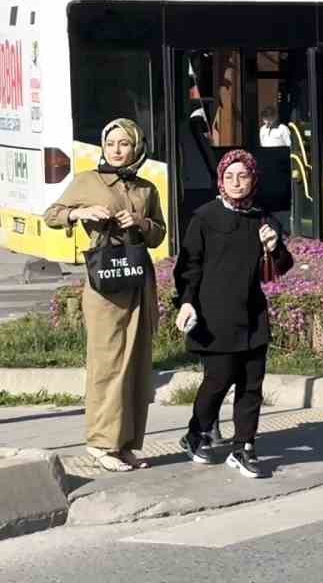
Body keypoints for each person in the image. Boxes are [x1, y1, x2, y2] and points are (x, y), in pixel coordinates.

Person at [42, 119, 166, 473]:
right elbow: (52, 214)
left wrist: (140, 224)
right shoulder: (88, 181)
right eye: (111, 143)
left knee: (137, 364)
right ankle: (100, 442)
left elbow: (159, 234)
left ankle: (125, 443)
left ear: (136, 147)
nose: (116, 149)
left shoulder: (146, 188)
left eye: (124, 144)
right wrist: (80, 212)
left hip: (137, 279)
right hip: (104, 286)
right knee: (108, 362)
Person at [174, 149, 294, 479]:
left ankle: (244, 447)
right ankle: (196, 432)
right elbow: (188, 267)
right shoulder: (204, 218)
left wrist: (274, 248)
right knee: (218, 381)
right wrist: (186, 302)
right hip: (215, 317)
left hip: (252, 315)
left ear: (254, 179)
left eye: (243, 176)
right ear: (220, 181)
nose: (236, 182)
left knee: (251, 386)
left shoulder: (262, 218)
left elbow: (280, 268)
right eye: (229, 177)